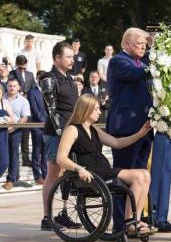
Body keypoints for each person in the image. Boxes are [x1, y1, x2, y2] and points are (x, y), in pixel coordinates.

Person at [57, 94, 153, 233]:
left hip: (101, 169)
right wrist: (78, 169)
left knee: (145, 175)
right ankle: (129, 223)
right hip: (88, 172)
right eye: (96, 109)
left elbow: (117, 143)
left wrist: (140, 134)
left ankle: (135, 220)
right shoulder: (72, 130)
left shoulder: (94, 129)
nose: (99, 112)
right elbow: (61, 158)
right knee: (138, 176)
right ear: (86, 109)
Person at [106, 27, 153, 231]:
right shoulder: (118, 61)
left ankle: (134, 219)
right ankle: (120, 224)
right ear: (126, 44)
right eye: (139, 43)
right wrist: (158, 59)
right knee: (124, 178)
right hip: (125, 129)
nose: (143, 47)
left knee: (141, 175)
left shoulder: (141, 62)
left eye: (145, 44)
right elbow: (137, 73)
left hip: (144, 128)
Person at [40, 41, 80, 231]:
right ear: (57, 58)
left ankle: (63, 213)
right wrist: (61, 132)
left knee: (67, 174)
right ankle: (47, 217)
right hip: (57, 133)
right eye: (68, 56)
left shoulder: (69, 78)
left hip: (71, 131)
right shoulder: (49, 78)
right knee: (54, 174)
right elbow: (52, 109)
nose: (72, 60)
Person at [144, 24, 171, 232]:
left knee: (165, 170)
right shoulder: (146, 60)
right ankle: (150, 214)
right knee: (153, 170)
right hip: (151, 122)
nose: (157, 40)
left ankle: (162, 215)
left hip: (168, 122)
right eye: (154, 36)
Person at [2, 78, 31, 190]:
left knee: (13, 154)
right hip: (0, 130)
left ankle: (11, 179)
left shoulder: (23, 101)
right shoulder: (1, 98)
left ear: (19, 87)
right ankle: (15, 176)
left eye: (14, 86)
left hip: (16, 131)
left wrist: (13, 127)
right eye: (10, 86)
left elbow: (25, 117)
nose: (12, 88)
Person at [9, 54, 36, 167]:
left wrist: (27, 96)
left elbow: (34, 88)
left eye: (24, 68)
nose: (22, 70)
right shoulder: (12, 74)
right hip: (14, 105)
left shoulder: (30, 75)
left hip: (26, 105)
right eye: (20, 68)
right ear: (16, 66)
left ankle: (25, 159)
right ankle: (13, 161)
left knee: (26, 135)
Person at [27, 71, 48, 184]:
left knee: (45, 152)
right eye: (40, 78)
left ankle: (46, 174)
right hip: (37, 126)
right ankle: (37, 175)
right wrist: (43, 122)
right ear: (37, 79)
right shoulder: (32, 92)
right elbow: (34, 109)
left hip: (48, 127)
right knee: (37, 151)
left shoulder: (49, 91)